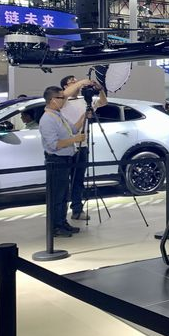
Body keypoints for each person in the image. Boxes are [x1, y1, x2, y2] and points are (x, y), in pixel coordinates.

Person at [59, 75, 108, 222]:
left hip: (83, 145)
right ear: (65, 86)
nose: (76, 83)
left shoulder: (85, 100)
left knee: (78, 180)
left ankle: (77, 209)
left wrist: (100, 89)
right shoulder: (62, 101)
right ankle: (60, 215)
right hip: (66, 145)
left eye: (76, 80)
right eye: (72, 81)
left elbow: (103, 102)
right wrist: (81, 82)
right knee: (63, 182)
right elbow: (64, 95)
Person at [38, 86, 86, 237]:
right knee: (57, 196)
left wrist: (84, 116)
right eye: (61, 97)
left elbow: (73, 129)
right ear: (53, 100)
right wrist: (74, 140)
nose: (64, 100)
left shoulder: (58, 116)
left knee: (64, 194)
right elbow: (54, 144)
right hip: (56, 161)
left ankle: (62, 222)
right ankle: (55, 226)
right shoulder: (47, 119)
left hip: (66, 159)